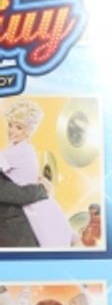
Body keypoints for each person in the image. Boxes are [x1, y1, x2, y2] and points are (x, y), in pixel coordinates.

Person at [0, 100, 73, 248]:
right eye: (10, 125)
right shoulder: (26, 149)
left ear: (27, 131)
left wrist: (41, 187)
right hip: (32, 201)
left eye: (19, 128)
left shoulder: (17, 152)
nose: (12, 131)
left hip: (29, 206)